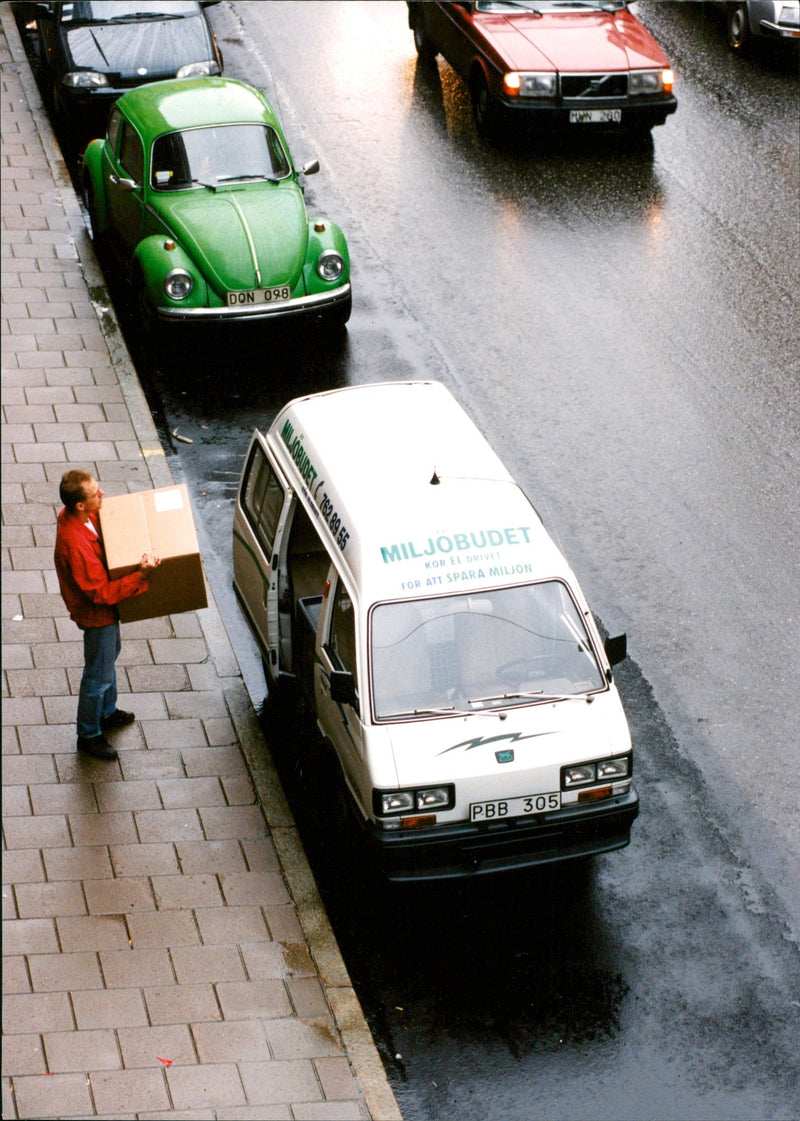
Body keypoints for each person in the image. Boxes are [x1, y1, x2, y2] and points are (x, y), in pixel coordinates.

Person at [54, 470, 161, 760]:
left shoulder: (78, 517)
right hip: (96, 615)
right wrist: (140, 576)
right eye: (95, 494)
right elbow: (101, 593)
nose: (102, 495)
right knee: (98, 674)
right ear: (80, 505)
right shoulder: (75, 545)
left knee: (109, 655)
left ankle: (107, 711)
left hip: (102, 613)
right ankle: (88, 733)